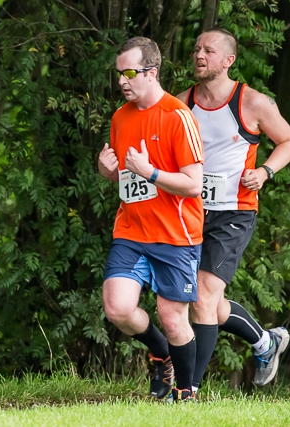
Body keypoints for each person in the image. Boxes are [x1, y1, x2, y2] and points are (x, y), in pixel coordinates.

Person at [176, 28, 290, 393]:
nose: (200, 55)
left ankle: (189, 391)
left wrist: (265, 171)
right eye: (197, 49)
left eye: (209, 50)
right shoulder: (181, 103)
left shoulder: (253, 103)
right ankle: (266, 341)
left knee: (202, 295)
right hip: (190, 211)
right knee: (204, 302)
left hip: (234, 212)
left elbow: (289, 141)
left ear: (228, 60)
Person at [98, 37, 204, 402]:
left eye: (130, 73)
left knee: (174, 318)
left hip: (176, 235)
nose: (122, 81)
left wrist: (152, 173)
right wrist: (106, 171)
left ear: (152, 72)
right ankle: (161, 356)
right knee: (118, 308)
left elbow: (193, 185)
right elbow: (124, 176)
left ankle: (186, 392)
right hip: (131, 230)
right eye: (119, 74)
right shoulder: (120, 117)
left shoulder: (178, 117)